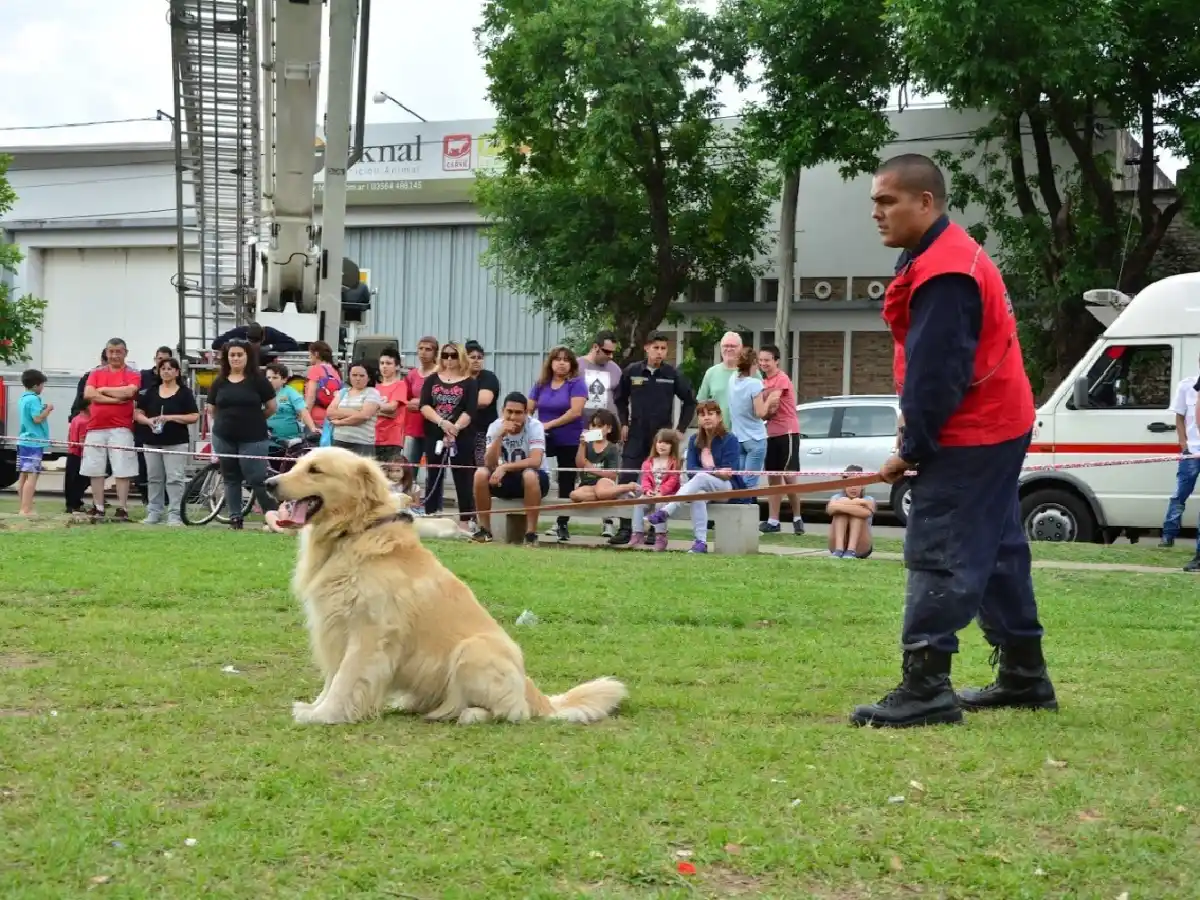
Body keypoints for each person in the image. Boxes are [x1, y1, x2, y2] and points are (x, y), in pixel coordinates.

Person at [851, 152, 1057, 729]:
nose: (876, 212)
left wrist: (912, 448)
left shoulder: (945, 270)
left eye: (887, 200)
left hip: (975, 430)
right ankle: (1024, 676)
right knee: (997, 551)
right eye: (874, 201)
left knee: (937, 548)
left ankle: (925, 687)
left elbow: (936, 373)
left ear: (926, 202)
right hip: (997, 421)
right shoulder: (944, 255)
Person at [609, 331, 697, 546]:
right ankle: (626, 527)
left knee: (661, 482)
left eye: (663, 349)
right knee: (628, 479)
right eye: (656, 348)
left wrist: (680, 429)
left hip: (661, 438)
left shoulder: (671, 374)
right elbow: (619, 399)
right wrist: (624, 423)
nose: (660, 352)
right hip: (636, 433)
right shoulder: (632, 371)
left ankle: (654, 530)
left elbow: (690, 401)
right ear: (646, 348)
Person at [646, 400, 745, 554]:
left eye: (711, 414)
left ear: (719, 417)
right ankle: (700, 543)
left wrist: (710, 471)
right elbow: (691, 469)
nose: (706, 418)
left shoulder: (730, 439)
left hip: (727, 488)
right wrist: (715, 471)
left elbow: (729, 472)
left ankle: (666, 511)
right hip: (702, 486)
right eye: (702, 414)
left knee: (701, 477)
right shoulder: (694, 440)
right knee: (698, 494)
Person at [206, 339, 278, 530]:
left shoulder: (258, 380)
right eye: (232, 355)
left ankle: (273, 516)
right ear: (226, 358)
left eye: (240, 355)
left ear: (248, 357)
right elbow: (211, 408)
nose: (236, 358)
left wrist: (254, 419)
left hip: (254, 437)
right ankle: (235, 518)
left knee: (257, 478)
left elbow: (271, 407)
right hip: (224, 437)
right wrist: (224, 422)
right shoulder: (219, 381)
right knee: (231, 478)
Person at [472, 391, 551, 545]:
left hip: (535, 479)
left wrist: (505, 467)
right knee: (480, 474)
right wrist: (500, 436)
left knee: (529, 475)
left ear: (526, 413)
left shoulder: (535, 426)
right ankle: (485, 530)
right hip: (504, 479)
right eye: (509, 412)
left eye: (518, 413)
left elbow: (535, 461)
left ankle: (531, 534)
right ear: (503, 411)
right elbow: (488, 462)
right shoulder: (495, 426)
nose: (513, 417)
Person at [528, 345, 588, 542]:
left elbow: (575, 411)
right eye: (557, 359)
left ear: (571, 364)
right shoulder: (541, 384)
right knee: (531, 464)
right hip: (544, 436)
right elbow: (527, 409)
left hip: (569, 437)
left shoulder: (576, 383)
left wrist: (547, 425)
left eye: (566, 359)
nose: (561, 363)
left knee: (566, 479)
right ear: (551, 363)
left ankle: (562, 522)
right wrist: (527, 426)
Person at [82, 337, 143, 522]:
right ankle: (98, 506)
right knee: (95, 468)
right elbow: (88, 394)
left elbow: (129, 392)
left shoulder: (133, 373)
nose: (114, 355)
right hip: (95, 427)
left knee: (122, 468)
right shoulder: (95, 372)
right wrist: (115, 399)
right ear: (106, 352)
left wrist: (102, 390)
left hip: (121, 427)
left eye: (118, 351)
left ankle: (122, 507)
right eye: (111, 351)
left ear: (125, 353)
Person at [134, 357, 200, 525]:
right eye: (163, 368)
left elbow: (194, 416)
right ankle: (154, 512)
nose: (166, 371)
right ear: (158, 371)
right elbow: (137, 413)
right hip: (151, 441)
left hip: (176, 442)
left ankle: (175, 513)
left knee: (175, 478)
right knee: (154, 478)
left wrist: (170, 418)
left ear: (177, 372)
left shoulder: (184, 393)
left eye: (170, 368)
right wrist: (148, 421)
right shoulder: (151, 392)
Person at [419, 341, 477, 527]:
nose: (449, 359)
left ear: (460, 357)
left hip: (462, 434)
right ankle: (432, 514)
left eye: (453, 355)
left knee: (463, 476)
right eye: (445, 355)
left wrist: (455, 428)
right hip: (435, 432)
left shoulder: (470, 382)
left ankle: (465, 519)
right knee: (434, 473)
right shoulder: (432, 379)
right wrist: (442, 423)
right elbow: (425, 405)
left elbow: (470, 410)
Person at [579, 331, 623, 538]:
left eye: (614, 352)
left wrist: (621, 425)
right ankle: (561, 521)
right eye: (607, 351)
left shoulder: (615, 369)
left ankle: (608, 522)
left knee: (607, 474)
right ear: (595, 347)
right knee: (577, 475)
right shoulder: (578, 365)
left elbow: (620, 399)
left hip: (606, 430)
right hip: (584, 428)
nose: (611, 356)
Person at [1157, 355, 1200, 571]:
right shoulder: (1187, 386)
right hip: (1191, 450)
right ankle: (1169, 534)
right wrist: (1183, 444)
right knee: (1180, 494)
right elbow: (1180, 417)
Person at [757, 344, 805, 535]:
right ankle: (773, 520)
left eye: (767, 360)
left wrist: (761, 413)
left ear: (776, 360)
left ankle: (797, 517)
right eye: (760, 360)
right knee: (773, 478)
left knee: (789, 477)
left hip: (788, 432)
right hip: (771, 434)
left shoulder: (781, 378)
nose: (763, 364)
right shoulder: (761, 381)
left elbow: (773, 404)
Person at [627, 428, 683, 551]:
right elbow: (645, 479)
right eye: (659, 442)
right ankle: (637, 533)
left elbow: (673, 481)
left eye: (667, 443)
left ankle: (661, 537)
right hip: (651, 493)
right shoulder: (648, 463)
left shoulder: (675, 463)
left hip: (668, 495)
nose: (662, 445)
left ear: (673, 446)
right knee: (639, 503)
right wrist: (647, 490)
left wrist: (661, 491)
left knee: (660, 505)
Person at [569, 409, 641, 503]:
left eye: (599, 426)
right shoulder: (586, 444)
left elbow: (612, 475)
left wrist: (592, 469)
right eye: (593, 425)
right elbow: (580, 465)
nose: (595, 429)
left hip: (605, 482)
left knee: (601, 492)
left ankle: (629, 486)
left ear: (609, 429)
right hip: (588, 484)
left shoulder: (612, 448)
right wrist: (582, 445)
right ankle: (614, 495)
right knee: (574, 495)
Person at [727, 346, 771, 489]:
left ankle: (740, 509)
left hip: (738, 437)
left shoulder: (732, 379)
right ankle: (747, 507)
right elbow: (760, 413)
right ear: (753, 364)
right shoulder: (754, 384)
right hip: (756, 438)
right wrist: (770, 400)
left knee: (740, 481)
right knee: (750, 482)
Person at [16, 368, 52, 516]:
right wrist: (48, 409)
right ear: (36, 385)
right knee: (32, 476)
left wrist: (41, 409)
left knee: (23, 475)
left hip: (23, 440)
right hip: (33, 442)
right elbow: (37, 419)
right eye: (42, 385)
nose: (42, 388)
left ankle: (24, 506)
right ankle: (26, 509)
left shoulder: (23, 399)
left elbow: (31, 415)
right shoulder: (34, 399)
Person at [696, 331, 751, 429]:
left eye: (733, 346)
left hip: (746, 435)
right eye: (725, 346)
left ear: (741, 348)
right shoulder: (711, 373)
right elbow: (701, 404)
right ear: (721, 349)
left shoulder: (751, 372)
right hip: (718, 433)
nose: (729, 349)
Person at [403, 336, 440, 481]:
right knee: (409, 469)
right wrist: (409, 403)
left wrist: (422, 403)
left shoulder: (440, 374)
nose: (423, 352)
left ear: (435, 353)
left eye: (428, 349)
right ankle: (409, 500)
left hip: (433, 427)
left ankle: (432, 502)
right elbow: (404, 398)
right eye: (421, 349)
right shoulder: (412, 374)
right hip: (413, 427)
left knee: (434, 470)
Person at [327, 364, 383, 458]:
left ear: (368, 378)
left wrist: (340, 422)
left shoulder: (372, 393)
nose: (357, 378)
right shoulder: (342, 392)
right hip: (339, 441)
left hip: (362, 443)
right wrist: (357, 411)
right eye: (354, 375)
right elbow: (330, 413)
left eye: (361, 376)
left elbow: (364, 416)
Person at [826, 465, 876, 558]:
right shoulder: (836, 497)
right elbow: (830, 509)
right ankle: (839, 549)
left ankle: (851, 551)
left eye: (857, 483)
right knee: (841, 514)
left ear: (863, 485)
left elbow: (866, 513)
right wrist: (858, 502)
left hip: (861, 546)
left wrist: (840, 505)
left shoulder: (869, 499)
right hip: (836, 545)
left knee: (856, 515)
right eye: (850, 483)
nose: (854, 488)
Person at [465, 340, 501, 467]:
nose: (476, 360)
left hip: (484, 432)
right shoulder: (460, 378)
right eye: (472, 357)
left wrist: (456, 402)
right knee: (465, 470)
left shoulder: (488, 377)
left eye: (479, 358)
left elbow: (483, 401)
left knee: (483, 469)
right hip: (463, 432)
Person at [374, 348, 409, 468]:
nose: (384, 367)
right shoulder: (375, 387)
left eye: (389, 363)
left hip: (391, 439)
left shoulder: (400, 385)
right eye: (382, 363)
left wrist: (373, 410)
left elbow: (392, 408)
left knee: (390, 475)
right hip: (373, 437)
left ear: (397, 366)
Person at [265, 362, 316, 442]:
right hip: (266, 438)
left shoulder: (290, 392)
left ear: (284, 380)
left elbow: (303, 411)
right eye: (268, 377)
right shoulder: (261, 392)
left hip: (290, 439)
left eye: (275, 378)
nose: (270, 380)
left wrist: (313, 429)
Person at [212, 321, 300, 364]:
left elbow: (293, 345)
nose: (254, 346)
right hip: (244, 367)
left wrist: (271, 347)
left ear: (263, 338)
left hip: (264, 367)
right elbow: (216, 344)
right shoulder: (241, 331)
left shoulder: (271, 333)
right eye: (251, 342)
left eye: (256, 343)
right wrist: (237, 345)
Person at [302, 340, 341, 431]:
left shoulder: (315, 369)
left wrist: (304, 419)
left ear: (316, 354)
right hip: (330, 418)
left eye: (310, 354)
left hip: (314, 419)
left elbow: (310, 397)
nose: (309, 356)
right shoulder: (335, 371)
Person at [65, 399, 91, 513]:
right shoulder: (85, 421)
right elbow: (82, 440)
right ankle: (75, 504)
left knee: (70, 480)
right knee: (80, 481)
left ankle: (71, 504)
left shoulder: (76, 419)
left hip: (72, 452)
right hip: (80, 454)